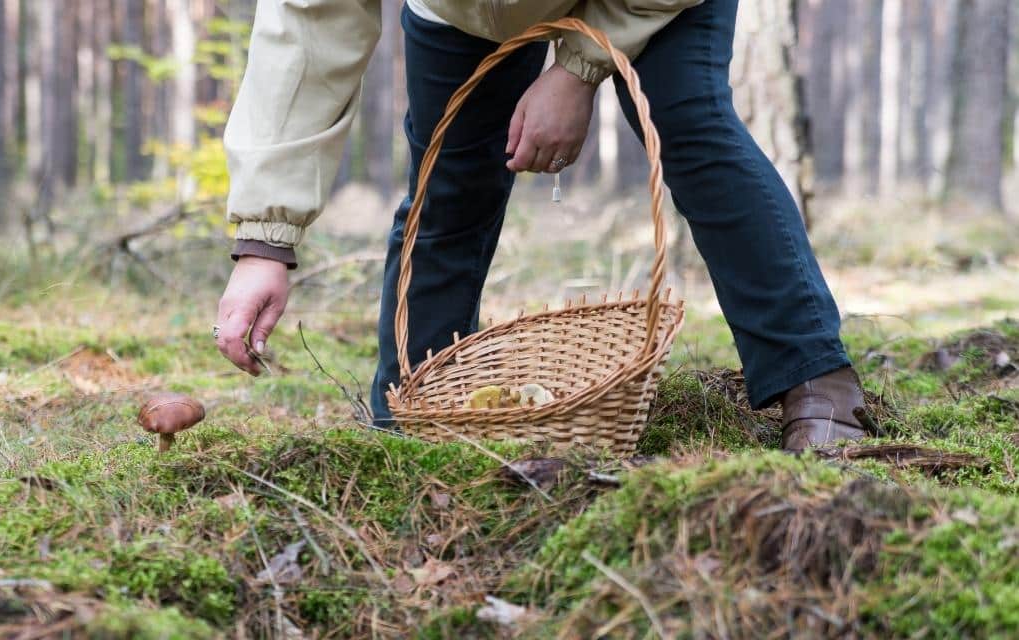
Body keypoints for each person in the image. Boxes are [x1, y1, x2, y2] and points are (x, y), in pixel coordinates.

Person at [213, 0, 868, 452]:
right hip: (464, 12)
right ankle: (409, 418)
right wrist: (264, 240)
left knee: (687, 121)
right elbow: (306, 32)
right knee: (447, 194)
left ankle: (817, 384)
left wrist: (576, 70)